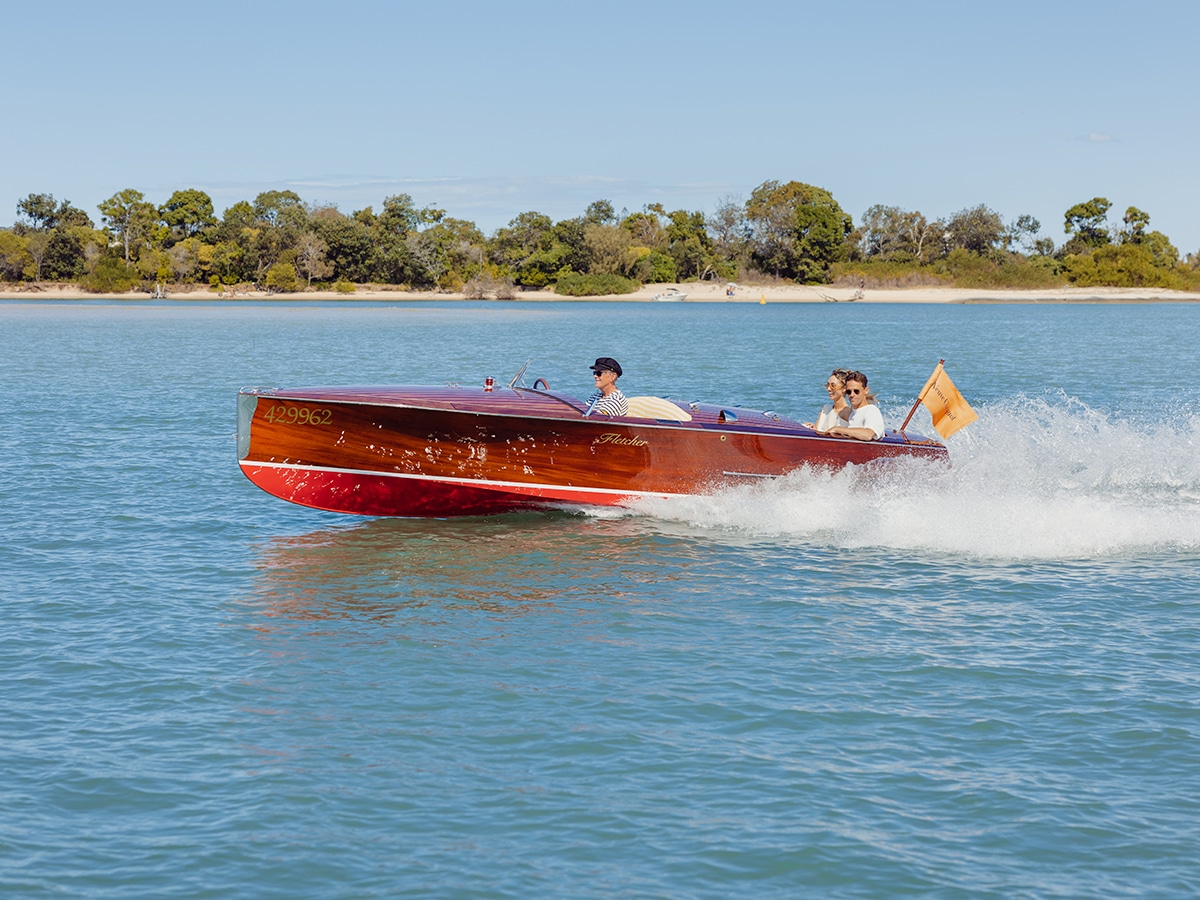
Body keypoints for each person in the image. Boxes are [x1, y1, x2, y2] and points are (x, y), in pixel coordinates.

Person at [825, 370, 884, 440]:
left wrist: (837, 429)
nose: (852, 395)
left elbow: (868, 434)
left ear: (866, 390)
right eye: (849, 392)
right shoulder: (852, 413)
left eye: (856, 391)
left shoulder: (871, 410)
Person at [806, 368, 853, 432]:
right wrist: (812, 427)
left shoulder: (849, 413)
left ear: (844, 388)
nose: (829, 388)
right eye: (828, 385)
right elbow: (817, 430)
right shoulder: (825, 408)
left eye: (833, 385)